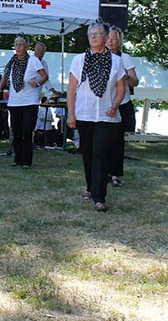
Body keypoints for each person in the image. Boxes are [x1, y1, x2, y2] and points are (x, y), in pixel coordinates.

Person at [66, 22, 126, 212]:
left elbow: (121, 88)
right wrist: (71, 114)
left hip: (106, 116)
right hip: (85, 113)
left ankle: (100, 197)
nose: (93, 37)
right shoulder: (79, 60)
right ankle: (91, 188)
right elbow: (71, 90)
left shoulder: (116, 61)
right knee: (88, 153)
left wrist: (115, 105)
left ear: (105, 37)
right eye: (90, 34)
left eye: (97, 34)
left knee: (100, 154)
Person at [0, 35, 46, 169]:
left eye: (21, 44)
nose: (18, 47)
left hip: (30, 101)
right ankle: (18, 159)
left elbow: (45, 76)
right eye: (16, 44)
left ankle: (26, 162)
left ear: (26, 47)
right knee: (16, 132)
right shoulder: (11, 61)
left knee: (27, 131)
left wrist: (38, 82)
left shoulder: (33, 60)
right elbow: (5, 75)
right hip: (14, 101)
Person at [106, 28, 139, 187]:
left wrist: (126, 76)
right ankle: (103, 171)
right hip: (104, 104)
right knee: (103, 140)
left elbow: (135, 81)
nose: (110, 41)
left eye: (114, 38)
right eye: (108, 38)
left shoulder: (124, 58)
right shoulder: (100, 57)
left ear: (119, 41)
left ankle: (115, 175)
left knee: (117, 141)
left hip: (121, 104)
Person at [33, 42, 55, 132]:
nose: (39, 52)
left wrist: (53, 90)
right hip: (24, 94)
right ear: (34, 50)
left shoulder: (44, 64)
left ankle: (32, 139)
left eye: (42, 51)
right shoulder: (27, 60)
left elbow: (46, 79)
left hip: (36, 95)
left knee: (33, 116)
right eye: (38, 50)